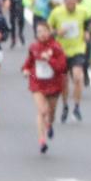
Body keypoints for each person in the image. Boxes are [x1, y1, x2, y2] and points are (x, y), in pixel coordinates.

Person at [48, 0, 91, 123]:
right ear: (64, 2)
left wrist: (88, 32)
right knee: (64, 81)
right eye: (69, 3)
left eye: (74, 2)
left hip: (78, 49)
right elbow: (47, 32)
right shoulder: (56, 13)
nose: (72, 5)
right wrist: (56, 32)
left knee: (78, 77)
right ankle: (65, 105)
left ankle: (77, 107)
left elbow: (89, 23)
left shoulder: (82, 11)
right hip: (61, 51)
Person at [25, 20, 69, 154]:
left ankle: (49, 124)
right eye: (39, 32)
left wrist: (49, 60)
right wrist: (26, 70)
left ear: (50, 32)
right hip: (37, 83)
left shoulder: (56, 48)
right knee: (42, 111)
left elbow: (62, 68)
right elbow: (29, 62)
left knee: (51, 113)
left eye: (44, 31)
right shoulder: (33, 47)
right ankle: (42, 140)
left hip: (54, 84)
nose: (42, 34)